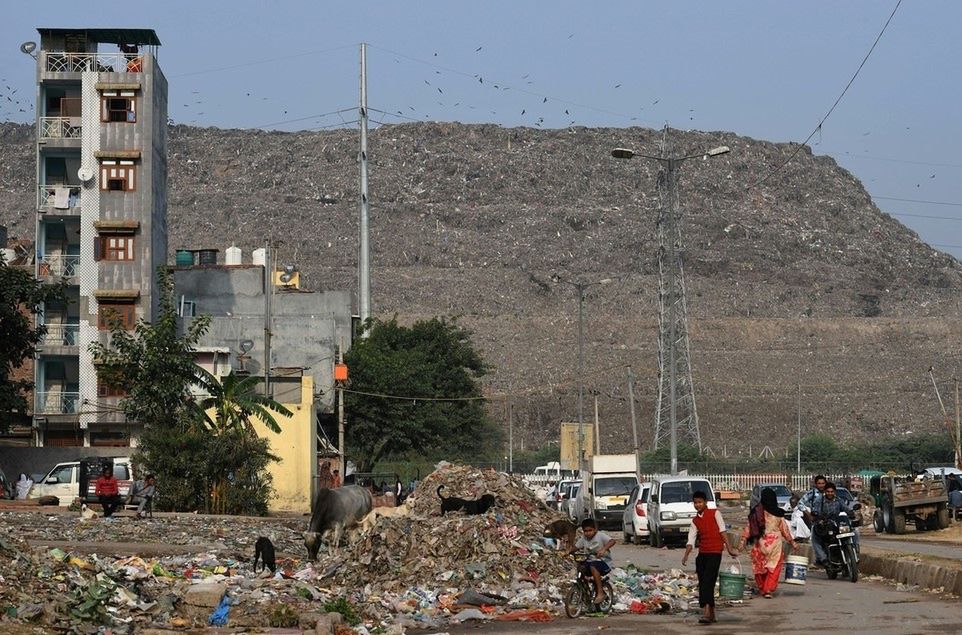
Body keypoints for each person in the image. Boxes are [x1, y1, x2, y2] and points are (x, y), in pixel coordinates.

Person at [682, 490, 738, 624]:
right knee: (704, 583)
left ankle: (706, 612)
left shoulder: (715, 513)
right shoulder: (695, 521)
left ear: (705, 502)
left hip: (715, 552)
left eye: (700, 502)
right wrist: (686, 555)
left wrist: (729, 548)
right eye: (695, 503)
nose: (697, 505)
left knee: (707, 581)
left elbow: (723, 531)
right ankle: (711, 612)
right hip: (702, 554)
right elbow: (691, 540)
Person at [738, 487, 798, 598]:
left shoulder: (756, 513)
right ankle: (768, 589)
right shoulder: (778, 514)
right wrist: (792, 542)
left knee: (760, 567)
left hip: (759, 544)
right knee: (773, 567)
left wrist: (743, 541)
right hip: (775, 545)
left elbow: (749, 528)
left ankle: (762, 588)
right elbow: (785, 530)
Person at [566, 518, 616, 605]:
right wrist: (567, 552)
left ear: (595, 529)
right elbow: (576, 547)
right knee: (581, 566)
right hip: (590, 562)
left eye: (590, 530)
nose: (588, 533)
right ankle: (585, 590)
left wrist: (604, 549)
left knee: (593, 566)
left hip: (604, 563)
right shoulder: (584, 538)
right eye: (586, 531)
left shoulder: (600, 535)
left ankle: (600, 593)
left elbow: (612, 541)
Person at [812, 482, 860, 555]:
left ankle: (855, 551)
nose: (830, 493)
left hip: (837, 523)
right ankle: (822, 557)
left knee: (855, 532)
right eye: (828, 491)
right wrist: (819, 518)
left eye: (831, 492)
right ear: (825, 492)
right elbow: (816, 511)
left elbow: (845, 508)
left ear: (834, 492)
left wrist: (851, 513)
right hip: (825, 524)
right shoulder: (819, 501)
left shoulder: (839, 500)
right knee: (816, 537)